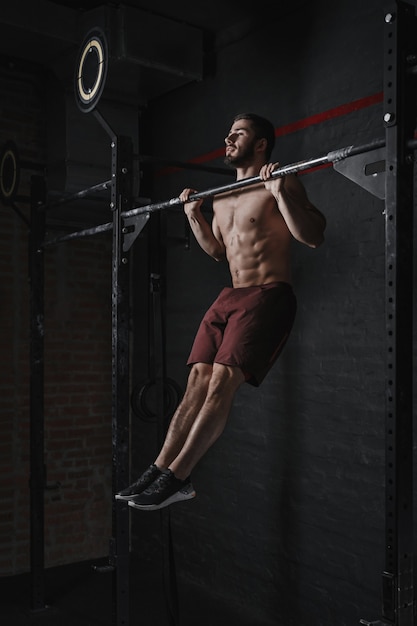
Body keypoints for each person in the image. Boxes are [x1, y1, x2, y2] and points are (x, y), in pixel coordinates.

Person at [116, 112, 326, 511]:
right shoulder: (223, 197)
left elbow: (312, 237)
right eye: (228, 133)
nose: (228, 139)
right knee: (197, 377)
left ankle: (178, 476)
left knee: (221, 382)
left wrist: (280, 192)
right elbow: (217, 252)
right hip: (230, 294)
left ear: (260, 143)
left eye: (239, 134)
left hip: (268, 293)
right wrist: (194, 216)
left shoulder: (279, 183)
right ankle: (161, 467)